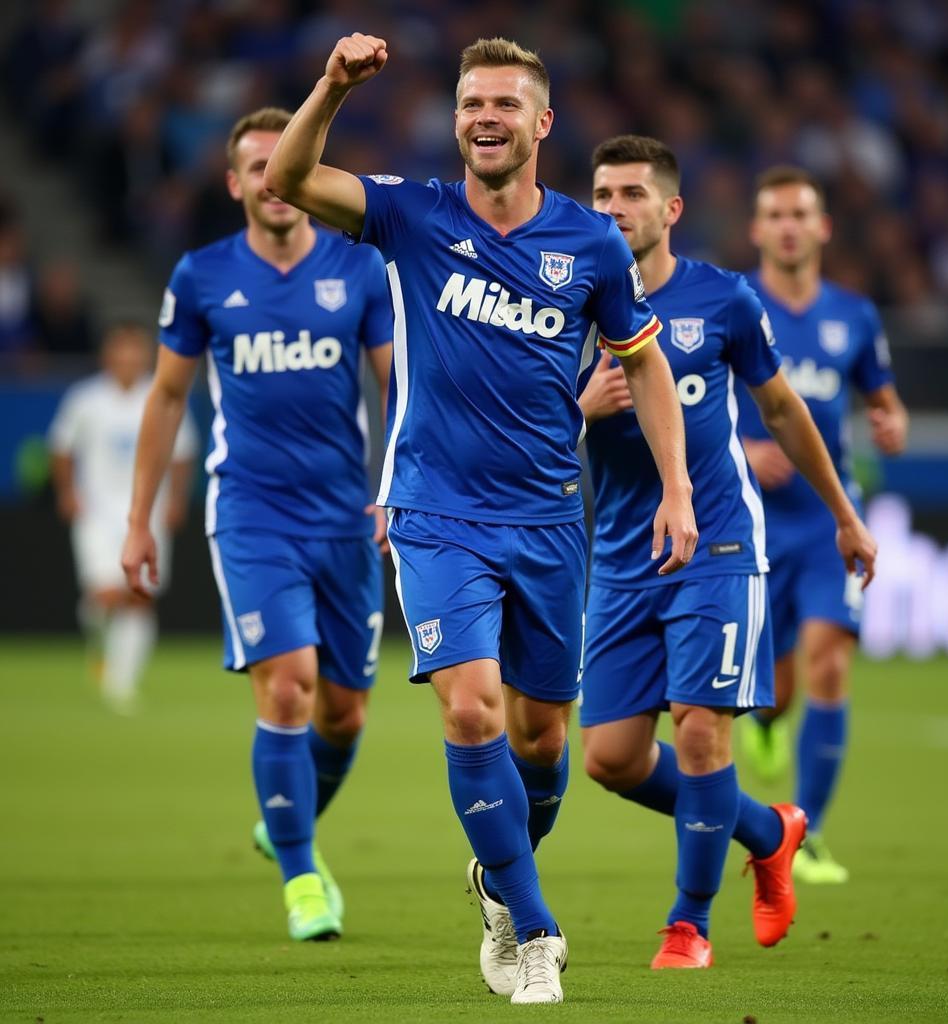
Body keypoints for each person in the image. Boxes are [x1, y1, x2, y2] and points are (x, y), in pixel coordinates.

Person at [263, 35, 698, 1004]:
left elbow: (644, 362)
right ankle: (535, 929)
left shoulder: (590, 242)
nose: (485, 117)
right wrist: (334, 85)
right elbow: (289, 177)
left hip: (548, 518)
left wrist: (675, 485)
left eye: (505, 103)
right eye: (470, 103)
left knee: (544, 741)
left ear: (542, 123)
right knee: (471, 707)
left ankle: (500, 879)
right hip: (435, 510)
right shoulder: (412, 214)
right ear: (455, 119)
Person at [577, 136, 878, 969]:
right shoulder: (565, 302)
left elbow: (784, 412)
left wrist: (845, 516)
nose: (612, 208)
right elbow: (531, 423)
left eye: (631, 194)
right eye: (601, 193)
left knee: (703, 731)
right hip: (622, 553)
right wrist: (584, 409)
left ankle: (689, 922)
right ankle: (767, 827)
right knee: (609, 758)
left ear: (670, 211)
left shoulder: (723, 300)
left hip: (718, 543)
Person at [120, 107, 394, 943]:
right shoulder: (202, 277)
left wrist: (394, 485)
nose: (271, 178)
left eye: (285, 162)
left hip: (347, 520)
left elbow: (399, 387)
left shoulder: (360, 272)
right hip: (251, 513)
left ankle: (285, 816)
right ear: (236, 183)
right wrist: (137, 522)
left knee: (344, 713)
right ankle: (302, 874)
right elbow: (167, 396)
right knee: (287, 685)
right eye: (254, 165)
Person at [738, 165, 908, 884]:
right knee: (775, 689)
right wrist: (743, 448)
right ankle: (768, 724)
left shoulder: (854, 316)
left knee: (830, 662)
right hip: (744, 518)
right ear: (756, 230)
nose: (787, 225)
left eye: (799, 213)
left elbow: (885, 398)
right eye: (774, 214)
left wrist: (891, 421)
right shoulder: (733, 304)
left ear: (821, 227)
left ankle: (804, 835)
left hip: (826, 520)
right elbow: (685, 401)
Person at [50, 321, 197, 713]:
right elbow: (61, 447)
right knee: (105, 595)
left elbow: (183, 453)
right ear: (108, 355)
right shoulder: (85, 400)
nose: (128, 358)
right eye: (121, 350)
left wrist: (176, 498)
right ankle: (98, 640)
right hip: (98, 512)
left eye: (135, 350)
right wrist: (67, 492)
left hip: (145, 512)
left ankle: (120, 683)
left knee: (139, 596)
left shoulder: (161, 394)